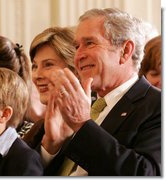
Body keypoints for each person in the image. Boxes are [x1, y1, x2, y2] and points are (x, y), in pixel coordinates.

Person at [41, 8, 161, 176]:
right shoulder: (76, 103)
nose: (78, 55)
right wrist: (52, 146)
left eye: (90, 43)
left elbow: (146, 173)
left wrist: (82, 125)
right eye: (77, 46)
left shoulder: (157, 105)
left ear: (125, 51)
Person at [22, 27, 76, 153]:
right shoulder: (37, 130)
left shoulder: (96, 119)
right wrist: (49, 149)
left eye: (48, 65)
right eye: (35, 66)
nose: (37, 75)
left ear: (74, 69)